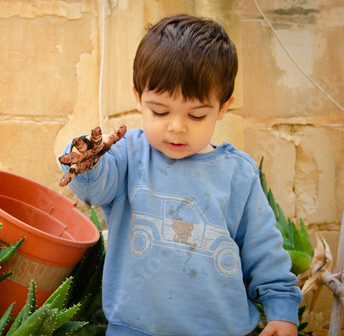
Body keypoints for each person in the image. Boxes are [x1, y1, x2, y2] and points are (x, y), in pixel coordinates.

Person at [58, 13, 302, 336]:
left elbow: (264, 251)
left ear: (223, 106)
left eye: (197, 115)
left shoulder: (238, 175)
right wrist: (86, 160)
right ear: (138, 98)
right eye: (159, 111)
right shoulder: (128, 155)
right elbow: (97, 187)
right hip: (133, 330)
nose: (176, 127)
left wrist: (281, 311)